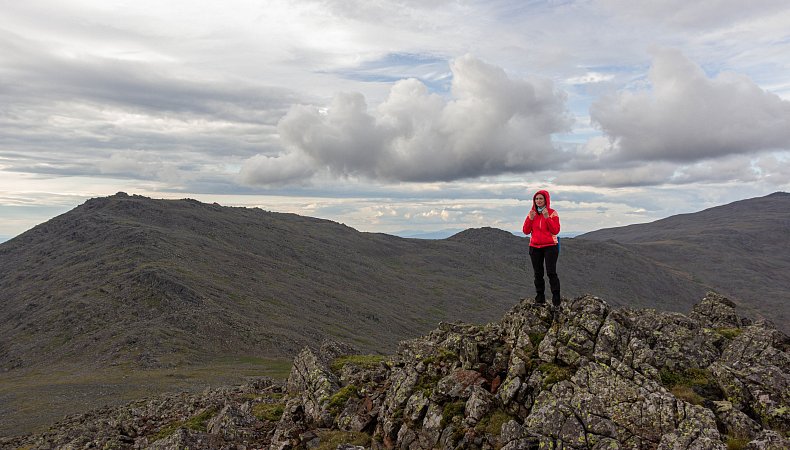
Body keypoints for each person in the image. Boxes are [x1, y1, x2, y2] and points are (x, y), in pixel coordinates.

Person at [522, 189, 561, 307]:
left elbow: (556, 230)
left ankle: (556, 300)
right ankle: (540, 299)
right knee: (538, 274)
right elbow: (525, 231)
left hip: (550, 246)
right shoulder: (531, 213)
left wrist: (547, 217)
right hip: (535, 247)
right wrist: (530, 219)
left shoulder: (552, 213)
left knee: (551, 273)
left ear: (546, 200)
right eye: (536, 199)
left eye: (541, 199)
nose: (538, 201)